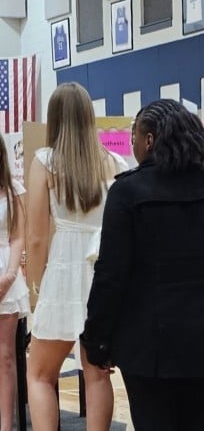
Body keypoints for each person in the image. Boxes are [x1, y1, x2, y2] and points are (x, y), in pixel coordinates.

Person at [81, 99, 204, 430]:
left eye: (135, 135)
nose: (132, 144)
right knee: (203, 421)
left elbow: (111, 276)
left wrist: (97, 340)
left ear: (148, 140)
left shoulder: (127, 192)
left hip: (147, 342)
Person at [25, 82, 127, 431]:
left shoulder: (45, 161)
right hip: (104, 275)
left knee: (39, 373)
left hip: (63, 274)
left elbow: (37, 237)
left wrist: (36, 287)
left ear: (54, 119)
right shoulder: (116, 162)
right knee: (97, 373)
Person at [0, 138, 28, 431]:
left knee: (5, 356)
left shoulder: (14, 190)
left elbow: (19, 236)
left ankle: (5, 425)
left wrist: (9, 276)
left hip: (6, 273)